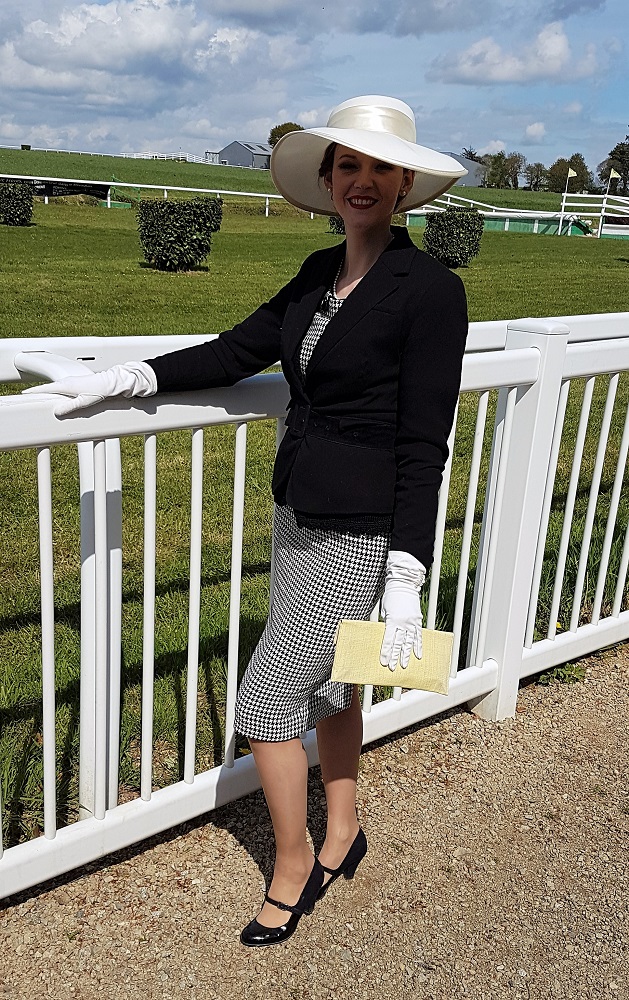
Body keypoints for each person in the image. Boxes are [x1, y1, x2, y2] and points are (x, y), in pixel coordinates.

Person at [24, 95, 469, 948]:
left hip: (362, 530)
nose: (362, 180)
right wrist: (130, 379)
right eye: (347, 165)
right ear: (328, 180)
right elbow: (237, 350)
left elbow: (424, 443)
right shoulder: (317, 270)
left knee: (265, 704)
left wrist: (407, 573)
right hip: (298, 510)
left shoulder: (430, 291)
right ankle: (343, 829)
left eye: (379, 167)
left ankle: (292, 865)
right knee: (331, 684)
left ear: (404, 184)